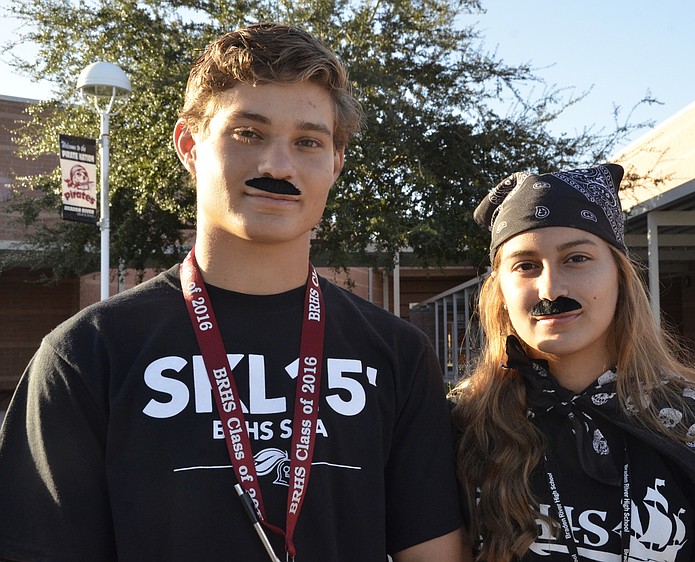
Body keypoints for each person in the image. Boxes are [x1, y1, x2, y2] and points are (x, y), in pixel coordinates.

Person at [0, 23, 465, 562]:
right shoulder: (87, 354)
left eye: (308, 142)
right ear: (189, 146)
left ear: (335, 162)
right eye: (248, 133)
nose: (278, 166)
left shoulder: (397, 355)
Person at [450, 164, 695, 561]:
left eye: (577, 258)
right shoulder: (462, 424)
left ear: (619, 277)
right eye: (526, 266)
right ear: (500, 291)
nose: (550, 288)